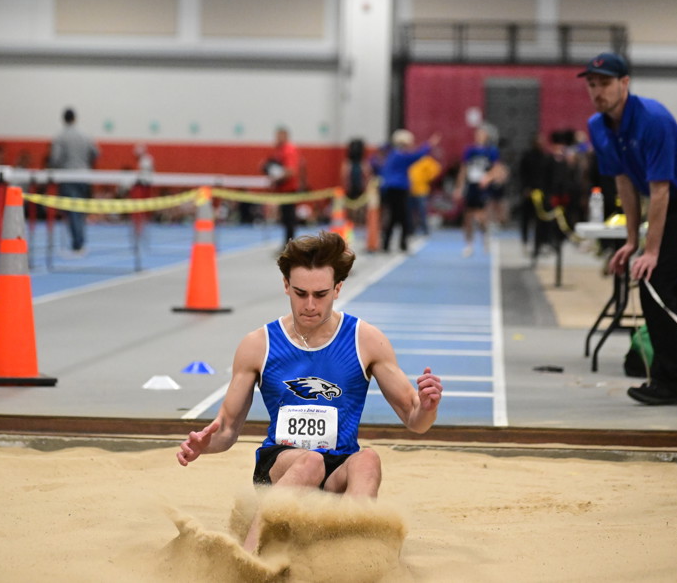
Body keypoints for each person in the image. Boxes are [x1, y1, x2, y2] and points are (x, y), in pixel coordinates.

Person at [176, 231, 443, 552]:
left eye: (321, 294)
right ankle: (249, 555)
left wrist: (427, 406)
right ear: (286, 286)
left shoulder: (366, 340)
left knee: (368, 460)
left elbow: (415, 420)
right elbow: (228, 429)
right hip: (281, 466)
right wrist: (205, 445)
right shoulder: (258, 345)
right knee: (311, 462)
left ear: (338, 289)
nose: (310, 305)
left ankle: (355, 554)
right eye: (301, 293)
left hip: (338, 468)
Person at [581, 52, 677, 406]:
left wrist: (652, 251)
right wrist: (632, 241)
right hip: (669, 203)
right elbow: (624, 183)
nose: (598, 91)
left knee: (654, 280)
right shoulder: (598, 126)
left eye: (605, 83)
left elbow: (660, 191)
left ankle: (669, 383)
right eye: (592, 84)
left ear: (625, 83)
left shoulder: (652, 119)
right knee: (665, 283)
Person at [49, 107, 98, 255]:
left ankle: (78, 244)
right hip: (84, 176)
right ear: (75, 119)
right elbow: (95, 153)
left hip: (68, 176)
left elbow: (55, 158)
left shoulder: (60, 136)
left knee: (72, 210)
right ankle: (80, 241)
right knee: (80, 210)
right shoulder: (85, 135)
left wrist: (57, 168)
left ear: (63, 120)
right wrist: (86, 163)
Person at [380, 129, 439, 253]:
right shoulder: (399, 155)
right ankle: (400, 244)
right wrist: (429, 145)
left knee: (395, 218)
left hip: (392, 189)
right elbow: (415, 157)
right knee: (402, 218)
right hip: (398, 189)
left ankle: (389, 244)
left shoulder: (393, 154)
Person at [454, 124, 504, 257]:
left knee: (481, 216)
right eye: (478, 133)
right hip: (471, 185)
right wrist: (459, 187)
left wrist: (488, 178)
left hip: (483, 187)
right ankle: (468, 244)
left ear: (487, 136)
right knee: (468, 216)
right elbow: (463, 169)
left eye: (482, 133)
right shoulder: (470, 150)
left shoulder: (491, 151)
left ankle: (485, 236)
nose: (479, 136)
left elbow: (497, 169)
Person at [264, 127, 301, 247]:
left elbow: (290, 171)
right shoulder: (279, 151)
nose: (276, 138)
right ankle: (288, 244)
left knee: (289, 219)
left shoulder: (288, 150)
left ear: (285, 136)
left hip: (289, 189)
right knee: (285, 219)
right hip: (282, 189)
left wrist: (276, 179)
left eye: (279, 136)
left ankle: (290, 246)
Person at [407, 149, 442, 236]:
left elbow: (436, 168)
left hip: (421, 190)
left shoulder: (425, 160)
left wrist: (427, 177)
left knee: (422, 211)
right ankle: (411, 229)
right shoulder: (411, 160)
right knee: (410, 212)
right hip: (410, 190)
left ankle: (425, 229)